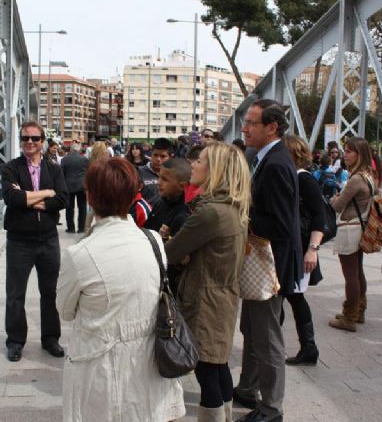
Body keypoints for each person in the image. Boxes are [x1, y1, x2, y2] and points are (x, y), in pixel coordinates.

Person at [57, 157, 186, 422]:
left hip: (98, 366)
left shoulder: (79, 254)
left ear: (89, 197)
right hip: (149, 363)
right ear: (132, 195)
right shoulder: (153, 241)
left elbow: (65, 311)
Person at [165, 142, 250, 421]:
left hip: (205, 299)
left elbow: (171, 252)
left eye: (199, 161)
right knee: (217, 365)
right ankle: (225, 416)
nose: (193, 164)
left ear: (215, 170)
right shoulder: (230, 206)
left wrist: (171, 245)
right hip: (221, 295)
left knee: (206, 371)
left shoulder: (210, 212)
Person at [234, 99, 302, 422]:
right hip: (260, 265)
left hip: (268, 269)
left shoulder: (275, 164)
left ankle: (272, 407)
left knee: (267, 337)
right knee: (251, 328)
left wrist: (241, 219)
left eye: (251, 123)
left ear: (272, 127)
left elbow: (280, 225)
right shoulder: (266, 158)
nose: (244, 129)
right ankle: (248, 388)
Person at [1, 121, 68, 362]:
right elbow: (11, 198)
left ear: (43, 142)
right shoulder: (11, 168)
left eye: (35, 138)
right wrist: (45, 193)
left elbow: (62, 199)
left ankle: (51, 339)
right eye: (25, 138)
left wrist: (30, 198)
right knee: (15, 293)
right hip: (20, 240)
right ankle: (16, 341)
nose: (30, 142)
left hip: (48, 240)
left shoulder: (54, 169)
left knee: (50, 292)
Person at [282, 135, 325, 366]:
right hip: (292, 248)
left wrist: (313, 250)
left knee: (294, 297)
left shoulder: (304, 180)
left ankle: (308, 347)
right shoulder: (289, 177)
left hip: (300, 250)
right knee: (291, 297)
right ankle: (307, 347)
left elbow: (319, 217)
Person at [329, 137, 376, 332]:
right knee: (358, 272)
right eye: (345, 151)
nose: (344, 155)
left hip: (350, 228)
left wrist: (334, 199)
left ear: (359, 154)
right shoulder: (368, 175)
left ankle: (349, 317)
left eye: (349, 151)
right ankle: (358, 311)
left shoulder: (356, 179)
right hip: (361, 227)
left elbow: (338, 205)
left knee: (351, 276)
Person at [146, 158, 191, 296]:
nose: (159, 183)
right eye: (159, 177)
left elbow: (179, 259)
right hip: (151, 272)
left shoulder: (183, 214)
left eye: (165, 179)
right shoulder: (161, 202)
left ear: (182, 186)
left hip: (168, 283)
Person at [61, 142, 88, 233]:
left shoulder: (64, 159)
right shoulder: (84, 159)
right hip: (81, 186)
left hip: (68, 186)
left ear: (71, 150)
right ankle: (81, 228)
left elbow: (62, 173)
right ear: (79, 150)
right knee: (82, 208)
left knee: (69, 208)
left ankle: (71, 228)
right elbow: (87, 173)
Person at [138, 137, 173, 206]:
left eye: (163, 156)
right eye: (155, 155)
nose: (158, 159)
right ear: (151, 154)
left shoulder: (174, 176)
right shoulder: (139, 172)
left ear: (170, 158)